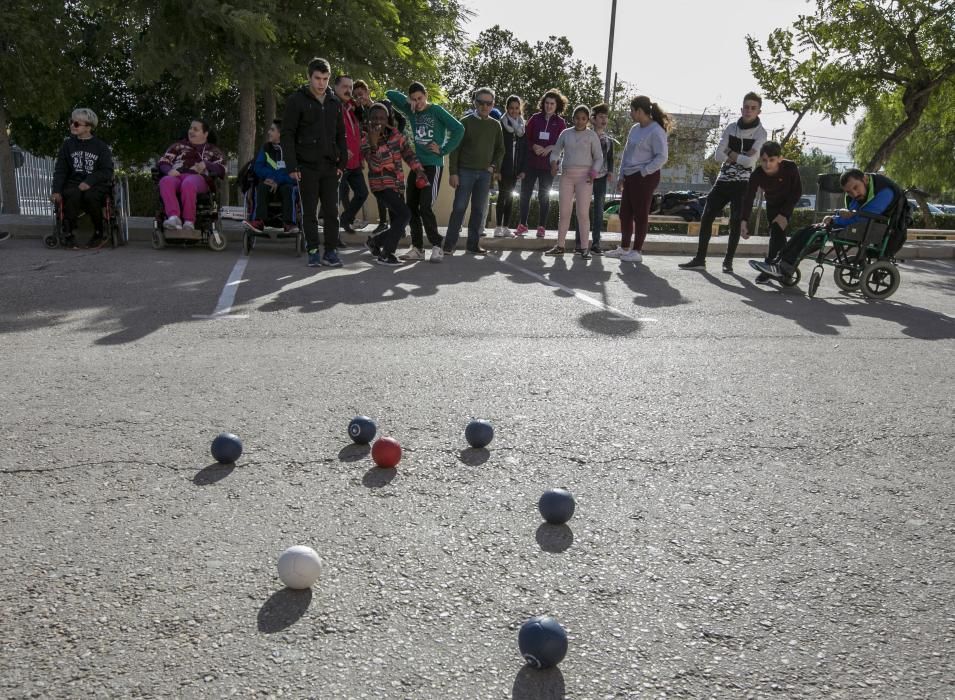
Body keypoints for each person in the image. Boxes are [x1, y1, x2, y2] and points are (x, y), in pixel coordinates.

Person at [753, 169, 904, 281]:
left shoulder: (884, 192)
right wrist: (835, 217)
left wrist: (835, 219)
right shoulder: (863, 191)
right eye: (849, 192)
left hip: (870, 229)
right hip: (858, 226)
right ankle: (778, 263)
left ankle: (784, 268)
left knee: (815, 234)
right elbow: (852, 214)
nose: (854, 194)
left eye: (855, 188)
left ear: (864, 179)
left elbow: (863, 217)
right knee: (804, 231)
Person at [680, 92, 767, 272]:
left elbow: (751, 162)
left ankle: (728, 262)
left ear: (759, 111)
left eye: (753, 108)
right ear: (741, 108)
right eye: (746, 107)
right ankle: (699, 259)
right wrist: (740, 156)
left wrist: (731, 153)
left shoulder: (761, 133)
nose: (748, 111)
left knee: (735, 221)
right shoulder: (731, 128)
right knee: (706, 216)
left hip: (743, 184)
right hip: (723, 180)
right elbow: (718, 156)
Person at [281, 57, 348, 268]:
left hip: (330, 166)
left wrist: (342, 163)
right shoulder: (296, 100)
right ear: (309, 77)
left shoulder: (334, 102)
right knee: (309, 212)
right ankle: (312, 251)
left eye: (325, 79)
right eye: (317, 78)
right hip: (306, 167)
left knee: (331, 212)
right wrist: (292, 166)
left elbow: (340, 135)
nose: (321, 83)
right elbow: (287, 134)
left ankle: (331, 252)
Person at [386, 82, 465, 261]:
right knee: (411, 206)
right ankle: (417, 248)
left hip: (433, 165)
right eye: (414, 99)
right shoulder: (411, 110)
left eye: (420, 98)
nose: (418, 102)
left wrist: (443, 149)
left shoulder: (436, 110)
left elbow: (459, 129)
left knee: (425, 206)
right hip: (417, 165)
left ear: (426, 95)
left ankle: (437, 246)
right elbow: (390, 93)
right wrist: (409, 103)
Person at [361, 103, 431, 266]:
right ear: (369, 120)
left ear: (387, 119)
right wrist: (373, 144)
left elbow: (408, 154)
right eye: (374, 118)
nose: (378, 121)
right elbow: (375, 166)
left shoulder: (395, 135)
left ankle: (375, 242)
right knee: (405, 215)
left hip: (397, 185)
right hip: (381, 186)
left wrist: (419, 171)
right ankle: (386, 254)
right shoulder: (365, 139)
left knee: (399, 223)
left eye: (382, 117)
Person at [604, 96, 670, 263]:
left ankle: (637, 251)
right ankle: (625, 248)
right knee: (625, 213)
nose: (630, 114)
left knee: (640, 214)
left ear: (640, 111)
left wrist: (643, 171)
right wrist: (621, 176)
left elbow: (662, 157)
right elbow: (627, 154)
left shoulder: (656, 130)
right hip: (630, 176)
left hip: (645, 177)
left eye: (632, 110)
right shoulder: (634, 128)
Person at [442, 87, 505, 258]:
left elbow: (500, 150)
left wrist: (493, 166)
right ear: (475, 103)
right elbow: (455, 150)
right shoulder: (464, 123)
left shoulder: (495, 125)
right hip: (465, 172)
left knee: (478, 210)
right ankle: (449, 245)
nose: (485, 106)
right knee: (459, 208)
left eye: (489, 103)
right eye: (481, 102)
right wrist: (453, 173)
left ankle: (473, 245)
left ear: (493, 105)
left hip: (485, 175)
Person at [50, 108, 115, 249]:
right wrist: (56, 190)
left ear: (88, 127)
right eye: (71, 122)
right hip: (74, 183)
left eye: (77, 124)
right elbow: (60, 170)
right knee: (72, 194)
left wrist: (89, 181)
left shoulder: (101, 147)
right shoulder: (67, 145)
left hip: (96, 184)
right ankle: (68, 233)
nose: (72, 125)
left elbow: (107, 171)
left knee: (91, 196)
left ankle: (99, 232)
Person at [737, 142, 802, 283]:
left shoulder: (790, 167)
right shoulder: (757, 174)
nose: (767, 165)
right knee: (778, 235)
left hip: (787, 203)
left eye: (772, 160)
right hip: (772, 205)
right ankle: (785, 270)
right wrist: (744, 221)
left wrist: (784, 213)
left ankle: (768, 267)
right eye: (764, 160)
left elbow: (797, 192)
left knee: (776, 230)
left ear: (779, 158)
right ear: (760, 160)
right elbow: (749, 198)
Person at [545, 105, 603, 259]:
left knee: (582, 213)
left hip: (585, 178)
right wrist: (553, 163)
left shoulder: (592, 136)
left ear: (588, 120)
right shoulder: (565, 133)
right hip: (566, 176)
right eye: (577, 118)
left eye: (583, 118)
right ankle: (560, 246)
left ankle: (584, 248)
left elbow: (598, 157)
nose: (580, 121)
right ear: (573, 118)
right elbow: (556, 152)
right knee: (564, 213)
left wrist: (594, 172)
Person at [354, 80, 405, 235]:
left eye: (361, 94)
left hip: (390, 154)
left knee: (396, 187)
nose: (359, 98)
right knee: (380, 188)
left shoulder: (384, 105)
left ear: (367, 92)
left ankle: (399, 224)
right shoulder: (359, 112)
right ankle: (383, 222)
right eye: (355, 96)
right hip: (374, 154)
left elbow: (401, 120)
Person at [157, 119, 225, 234]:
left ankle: (189, 222)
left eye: (196, 129)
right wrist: (169, 171)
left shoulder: (213, 150)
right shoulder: (177, 146)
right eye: (190, 128)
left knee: (188, 183)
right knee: (165, 181)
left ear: (205, 134)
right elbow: (164, 161)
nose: (191, 131)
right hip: (177, 175)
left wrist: (206, 164)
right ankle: (174, 218)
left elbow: (222, 168)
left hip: (198, 178)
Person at [516, 89, 568, 238]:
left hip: (548, 166)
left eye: (552, 103)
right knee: (525, 194)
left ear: (557, 105)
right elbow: (526, 138)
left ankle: (541, 227)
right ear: (543, 104)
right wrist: (533, 146)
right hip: (531, 163)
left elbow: (563, 143)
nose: (549, 106)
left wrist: (552, 147)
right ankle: (522, 225)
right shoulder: (535, 118)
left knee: (543, 196)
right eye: (546, 103)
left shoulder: (560, 123)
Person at [243, 120, 299, 235]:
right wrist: (272, 178)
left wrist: (277, 180)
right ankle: (259, 221)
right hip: (268, 183)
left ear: (280, 133)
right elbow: (258, 167)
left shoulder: (292, 150)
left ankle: (289, 223)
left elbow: (294, 174)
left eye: (272, 130)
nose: (269, 132)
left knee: (289, 189)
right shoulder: (266, 148)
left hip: (285, 185)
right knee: (261, 187)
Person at [574, 102, 615, 254]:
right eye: (600, 117)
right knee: (582, 211)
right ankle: (579, 244)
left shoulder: (608, 140)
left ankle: (596, 244)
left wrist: (610, 171)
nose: (603, 120)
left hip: (601, 178)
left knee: (598, 211)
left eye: (606, 117)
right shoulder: (585, 136)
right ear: (593, 119)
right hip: (584, 177)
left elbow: (610, 158)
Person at [334, 74, 368, 236]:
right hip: (339, 162)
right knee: (335, 200)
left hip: (354, 162)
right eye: (344, 87)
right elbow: (326, 133)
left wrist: (360, 157)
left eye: (350, 87)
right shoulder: (332, 106)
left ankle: (346, 219)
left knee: (362, 193)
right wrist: (339, 149)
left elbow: (357, 135)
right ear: (335, 87)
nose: (348, 90)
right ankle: (334, 237)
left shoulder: (352, 107)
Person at [494, 95, 526, 238]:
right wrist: (497, 169)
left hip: (515, 168)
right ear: (507, 109)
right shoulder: (501, 124)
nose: (514, 111)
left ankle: (506, 227)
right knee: (502, 195)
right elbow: (496, 148)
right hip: (503, 167)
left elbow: (525, 148)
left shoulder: (522, 126)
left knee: (511, 197)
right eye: (511, 108)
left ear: (520, 109)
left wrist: (522, 169)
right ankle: (498, 227)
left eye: (516, 108)